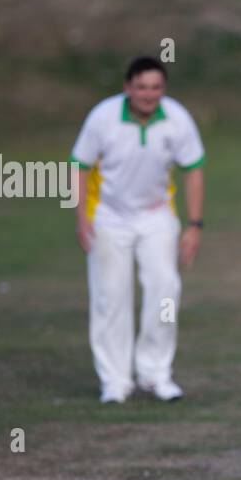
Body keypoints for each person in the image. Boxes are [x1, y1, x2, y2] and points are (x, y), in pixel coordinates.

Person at [70, 57, 206, 402]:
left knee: (164, 293)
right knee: (110, 296)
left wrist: (194, 225)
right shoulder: (103, 117)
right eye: (142, 87)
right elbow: (80, 166)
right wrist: (81, 216)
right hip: (108, 216)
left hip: (156, 216)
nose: (149, 95)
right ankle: (115, 381)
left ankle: (155, 374)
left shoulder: (176, 118)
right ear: (128, 88)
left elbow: (194, 169)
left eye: (156, 88)